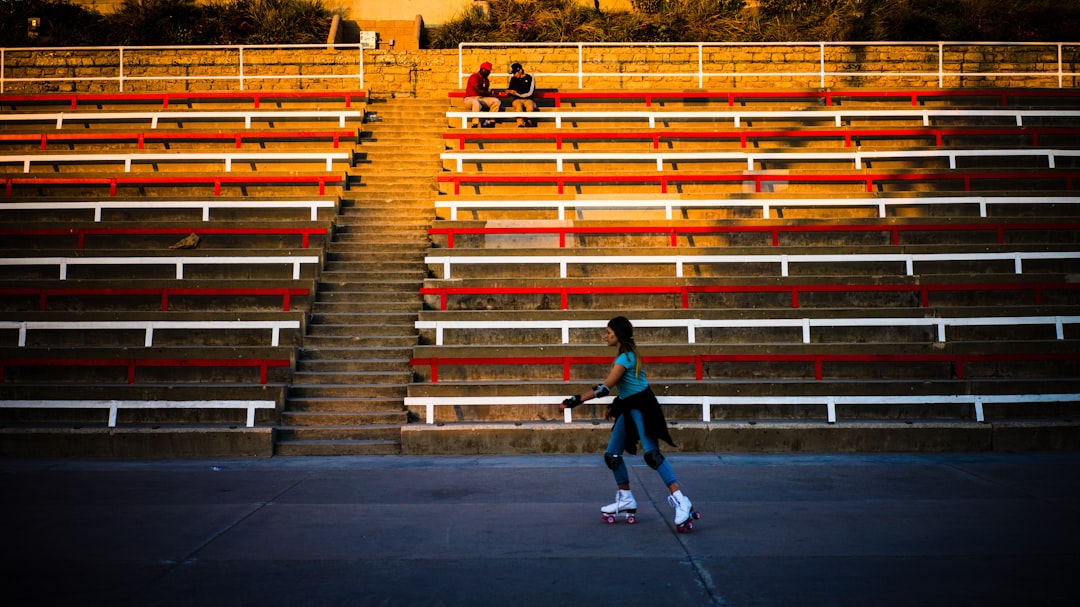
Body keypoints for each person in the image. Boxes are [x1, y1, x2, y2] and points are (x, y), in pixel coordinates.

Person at [561, 316, 700, 532]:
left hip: (643, 407)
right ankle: (625, 499)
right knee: (612, 456)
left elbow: (604, 388)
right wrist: (616, 405)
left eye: (608, 332)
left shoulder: (625, 358)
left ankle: (681, 500)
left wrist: (574, 401)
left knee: (652, 455)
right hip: (629, 407)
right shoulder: (625, 356)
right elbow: (625, 388)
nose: (604, 336)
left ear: (619, 335)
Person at [463, 61, 501, 128]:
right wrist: (490, 92)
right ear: (483, 70)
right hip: (470, 98)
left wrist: (491, 93)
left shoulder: (486, 80)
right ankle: (475, 123)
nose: (489, 73)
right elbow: (479, 91)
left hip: (481, 98)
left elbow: (484, 93)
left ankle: (490, 121)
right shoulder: (474, 77)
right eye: (488, 71)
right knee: (476, 103)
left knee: (496, 101)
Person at [505, 62, 537, 128]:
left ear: (520, 70)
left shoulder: (530, 78)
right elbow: (510, 89)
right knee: (518, 106)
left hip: (528, 99)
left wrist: (516, 93)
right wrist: (508, 91)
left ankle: (529, 121)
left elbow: (530, 92)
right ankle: (520, 123)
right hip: (517, 99)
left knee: (530, 106)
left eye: (515, 72)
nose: (514, 75)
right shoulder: (513, 79)